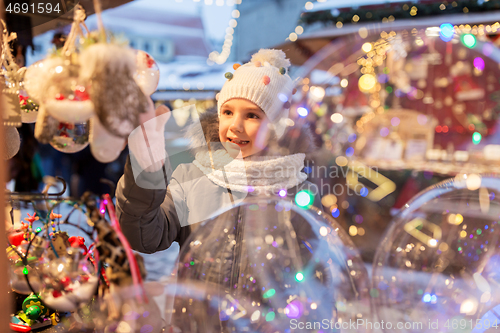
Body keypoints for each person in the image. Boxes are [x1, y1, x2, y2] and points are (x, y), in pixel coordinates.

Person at [115, 49, 320, 254]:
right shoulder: (191, 179)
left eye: (252, 115)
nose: (235, 126)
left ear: (277, 126)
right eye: (228, 112)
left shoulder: (297, 191)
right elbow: (145, 236)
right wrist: (147, 176)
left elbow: (312, 262)